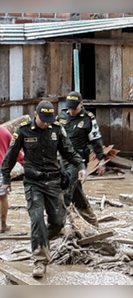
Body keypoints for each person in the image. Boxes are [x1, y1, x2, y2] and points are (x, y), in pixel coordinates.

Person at [1, 101, 85, 278]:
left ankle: (40, 242)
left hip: (54, 181)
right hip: (33, 183)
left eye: (49, 120)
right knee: (37, 219)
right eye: (43, 119)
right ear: (35, 114)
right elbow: (10, 157)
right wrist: (6, 179)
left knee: (58, 222)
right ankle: (40, 261)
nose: (46, 123)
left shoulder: (56, 129)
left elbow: (68, 151)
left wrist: (81, 166)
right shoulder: (23, 131)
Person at [57, 91, 106, 227]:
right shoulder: (61, 115)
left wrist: (101, 161)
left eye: (75, 108)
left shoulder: (88, 118)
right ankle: (91, 220)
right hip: (63, 159)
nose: (72, 111)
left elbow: (96, 140)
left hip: (78, 161)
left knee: (66, 191)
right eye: (69, 108)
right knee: (76, 191)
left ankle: (58, 225)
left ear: (81, 104)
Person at [0, 126, 24, 233]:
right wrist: (23, 162)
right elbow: (15, 148)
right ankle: (3, 224)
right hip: (2, 168)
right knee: (2, 197)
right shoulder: (4, 131)